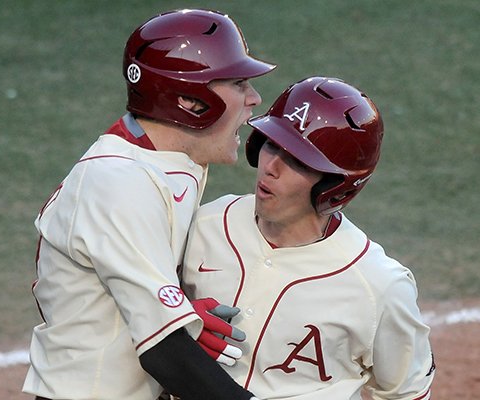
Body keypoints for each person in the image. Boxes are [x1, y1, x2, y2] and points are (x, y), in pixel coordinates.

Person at [22, 9, 275, 400]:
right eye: (239, 83)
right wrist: (177, 325)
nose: (255, 98)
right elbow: (164, 351)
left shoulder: (171, 160)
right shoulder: (120, 183)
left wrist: (184, 311)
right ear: (192, 101)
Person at [181, 76, 436, 399]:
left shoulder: (378, 286)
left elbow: (407, 393)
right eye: (271, 144)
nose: (271, 167)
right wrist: (180, 318)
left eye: (296, 160)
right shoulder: (205, 224)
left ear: (335, 185)